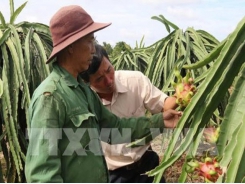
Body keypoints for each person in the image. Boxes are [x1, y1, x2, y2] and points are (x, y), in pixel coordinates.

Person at [24, 5, 182, 183]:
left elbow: (115, 128)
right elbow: (42, 174)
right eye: (90, 41)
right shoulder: (50, 97)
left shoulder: (82, 91)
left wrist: (160, 120)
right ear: (71, 46)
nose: (93, 49)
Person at [80, 44, 178, 182]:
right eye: (99, 79)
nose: (108, 80)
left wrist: (182, 96)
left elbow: (164, 105)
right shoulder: (85, 103)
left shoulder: (134, 81)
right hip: (115, 175)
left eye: (109, 70)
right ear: (87, 82)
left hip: (147, 164)